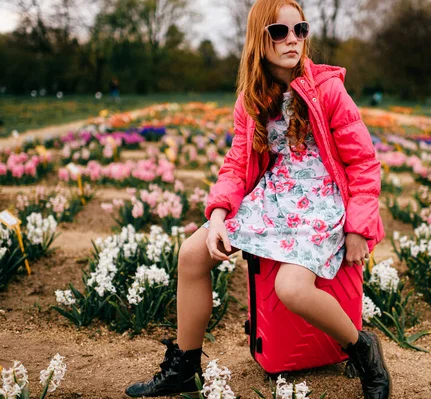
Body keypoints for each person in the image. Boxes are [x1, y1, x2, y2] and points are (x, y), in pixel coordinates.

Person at [124, 0, 389, 398]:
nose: (293, 40)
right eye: (280, 32)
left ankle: (363, 349)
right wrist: (217, 214)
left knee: (292, 289)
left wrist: (358, 228)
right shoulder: (251, 99)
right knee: (191, 255)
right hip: (272, 197)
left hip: (321, 202)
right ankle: (185, 366)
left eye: (300, 30)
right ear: (259, 38)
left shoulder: (327, 88)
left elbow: (363, 162)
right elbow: (236, 163)